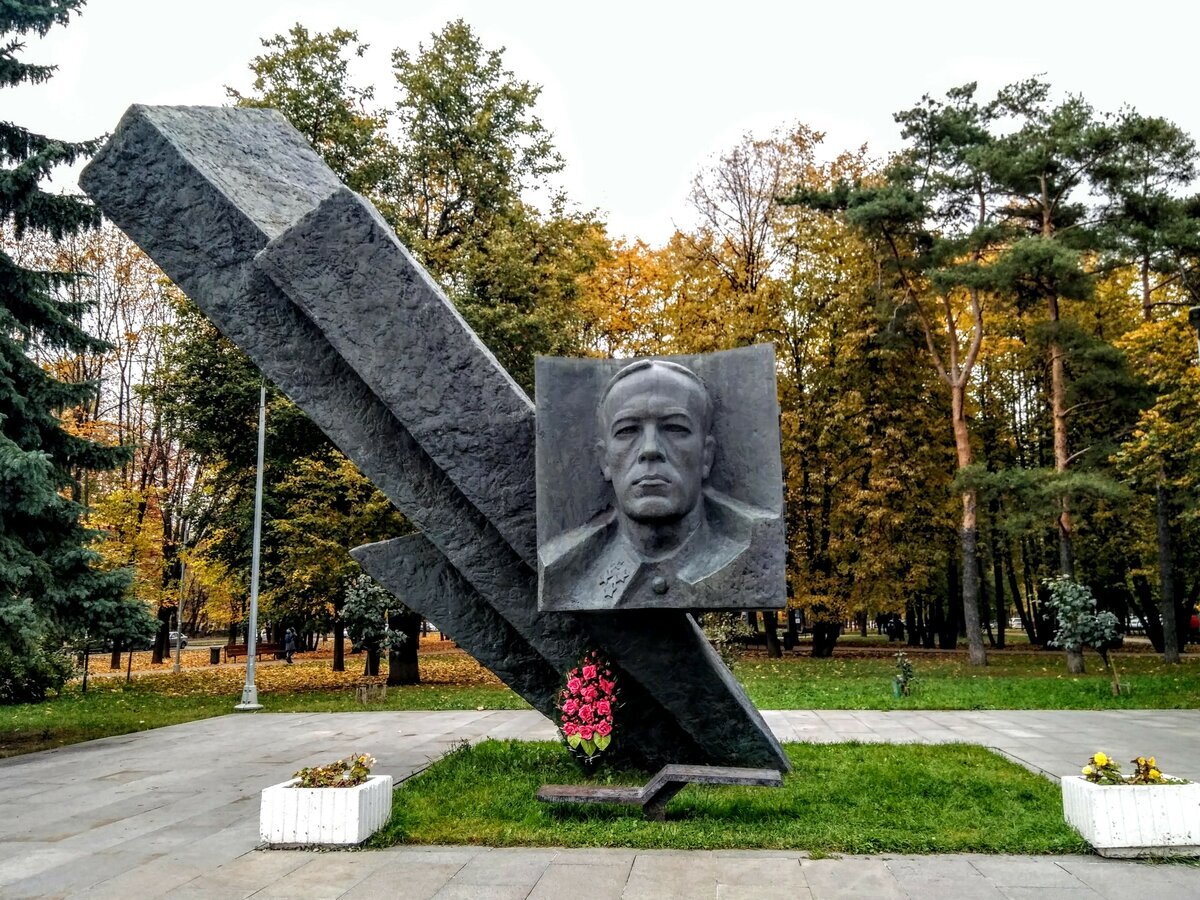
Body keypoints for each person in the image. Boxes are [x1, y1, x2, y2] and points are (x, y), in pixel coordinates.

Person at [539, 359, 779, 610]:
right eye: (628, 431)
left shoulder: (751, 548)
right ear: (604, 460)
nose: (650, 449)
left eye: (675, 428)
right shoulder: (566, 570)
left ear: (706, 456)